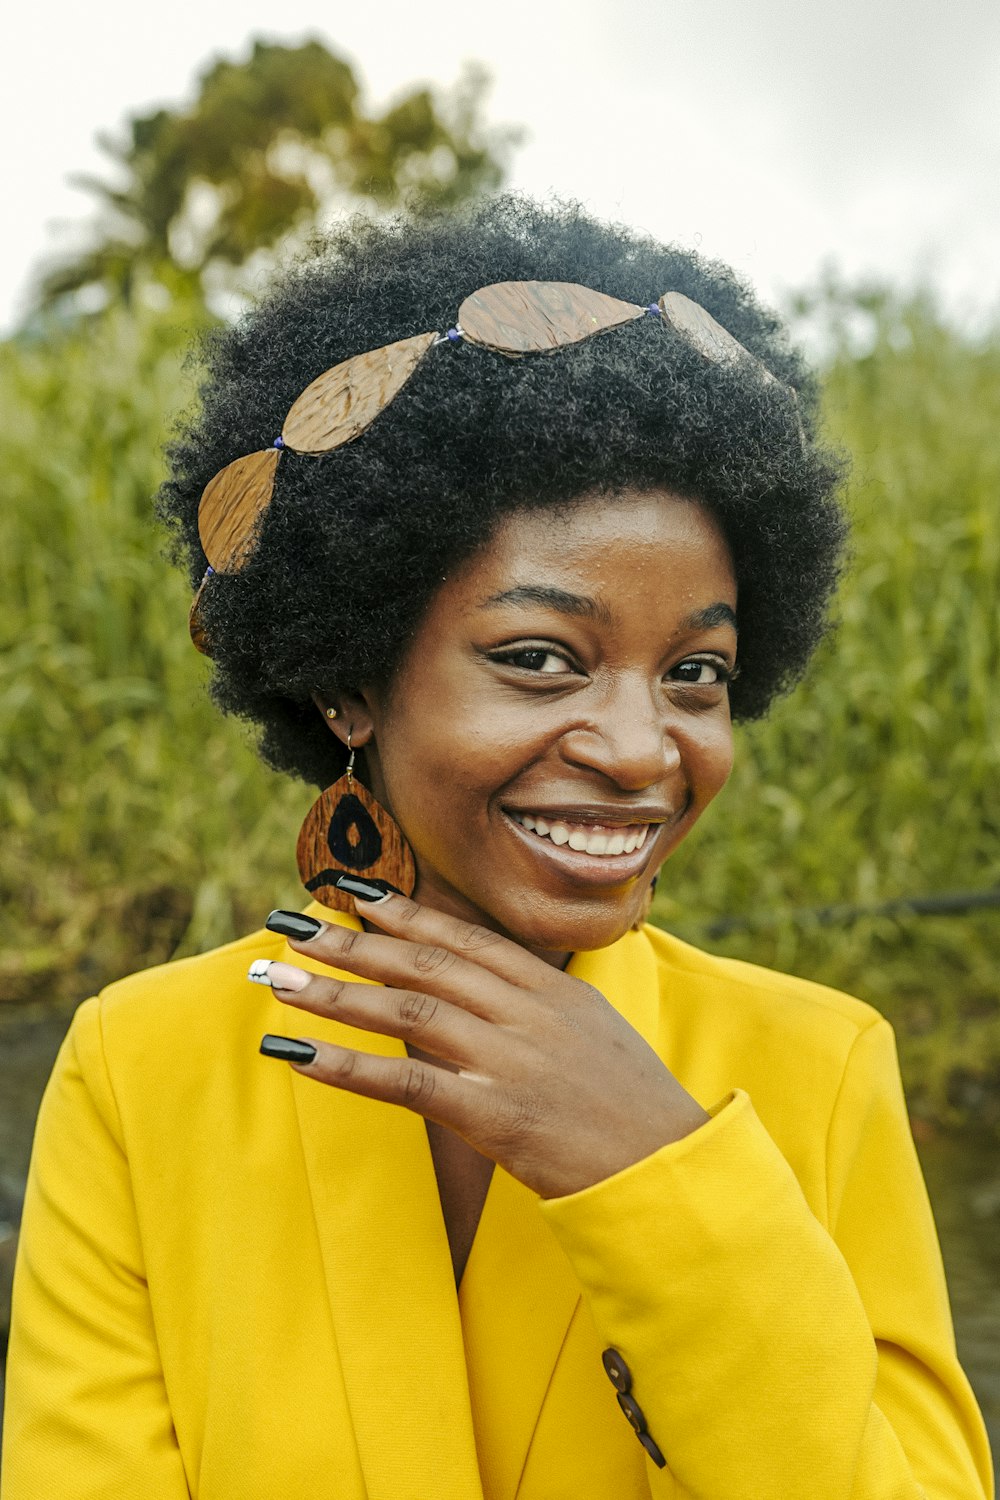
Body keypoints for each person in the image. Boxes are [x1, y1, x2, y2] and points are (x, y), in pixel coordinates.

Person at [1, 197, 992, 1500]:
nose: (644, 749)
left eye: (698, 671)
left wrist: (653, 1175)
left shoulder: (818, 1071)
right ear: (351, 681)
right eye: (539, 659)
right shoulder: (146, 1072)